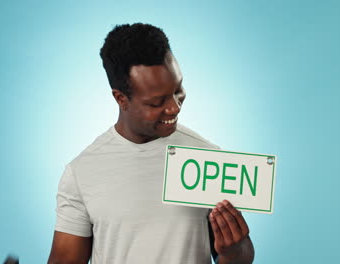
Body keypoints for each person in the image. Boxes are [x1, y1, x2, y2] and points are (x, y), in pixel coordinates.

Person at [47, 23, 254, 264]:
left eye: (178, 90)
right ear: (121, 98)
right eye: (157, 102)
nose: (174, 107)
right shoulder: (81, 172)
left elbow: (241, 255)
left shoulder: (208, 159)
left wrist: (234, 251)